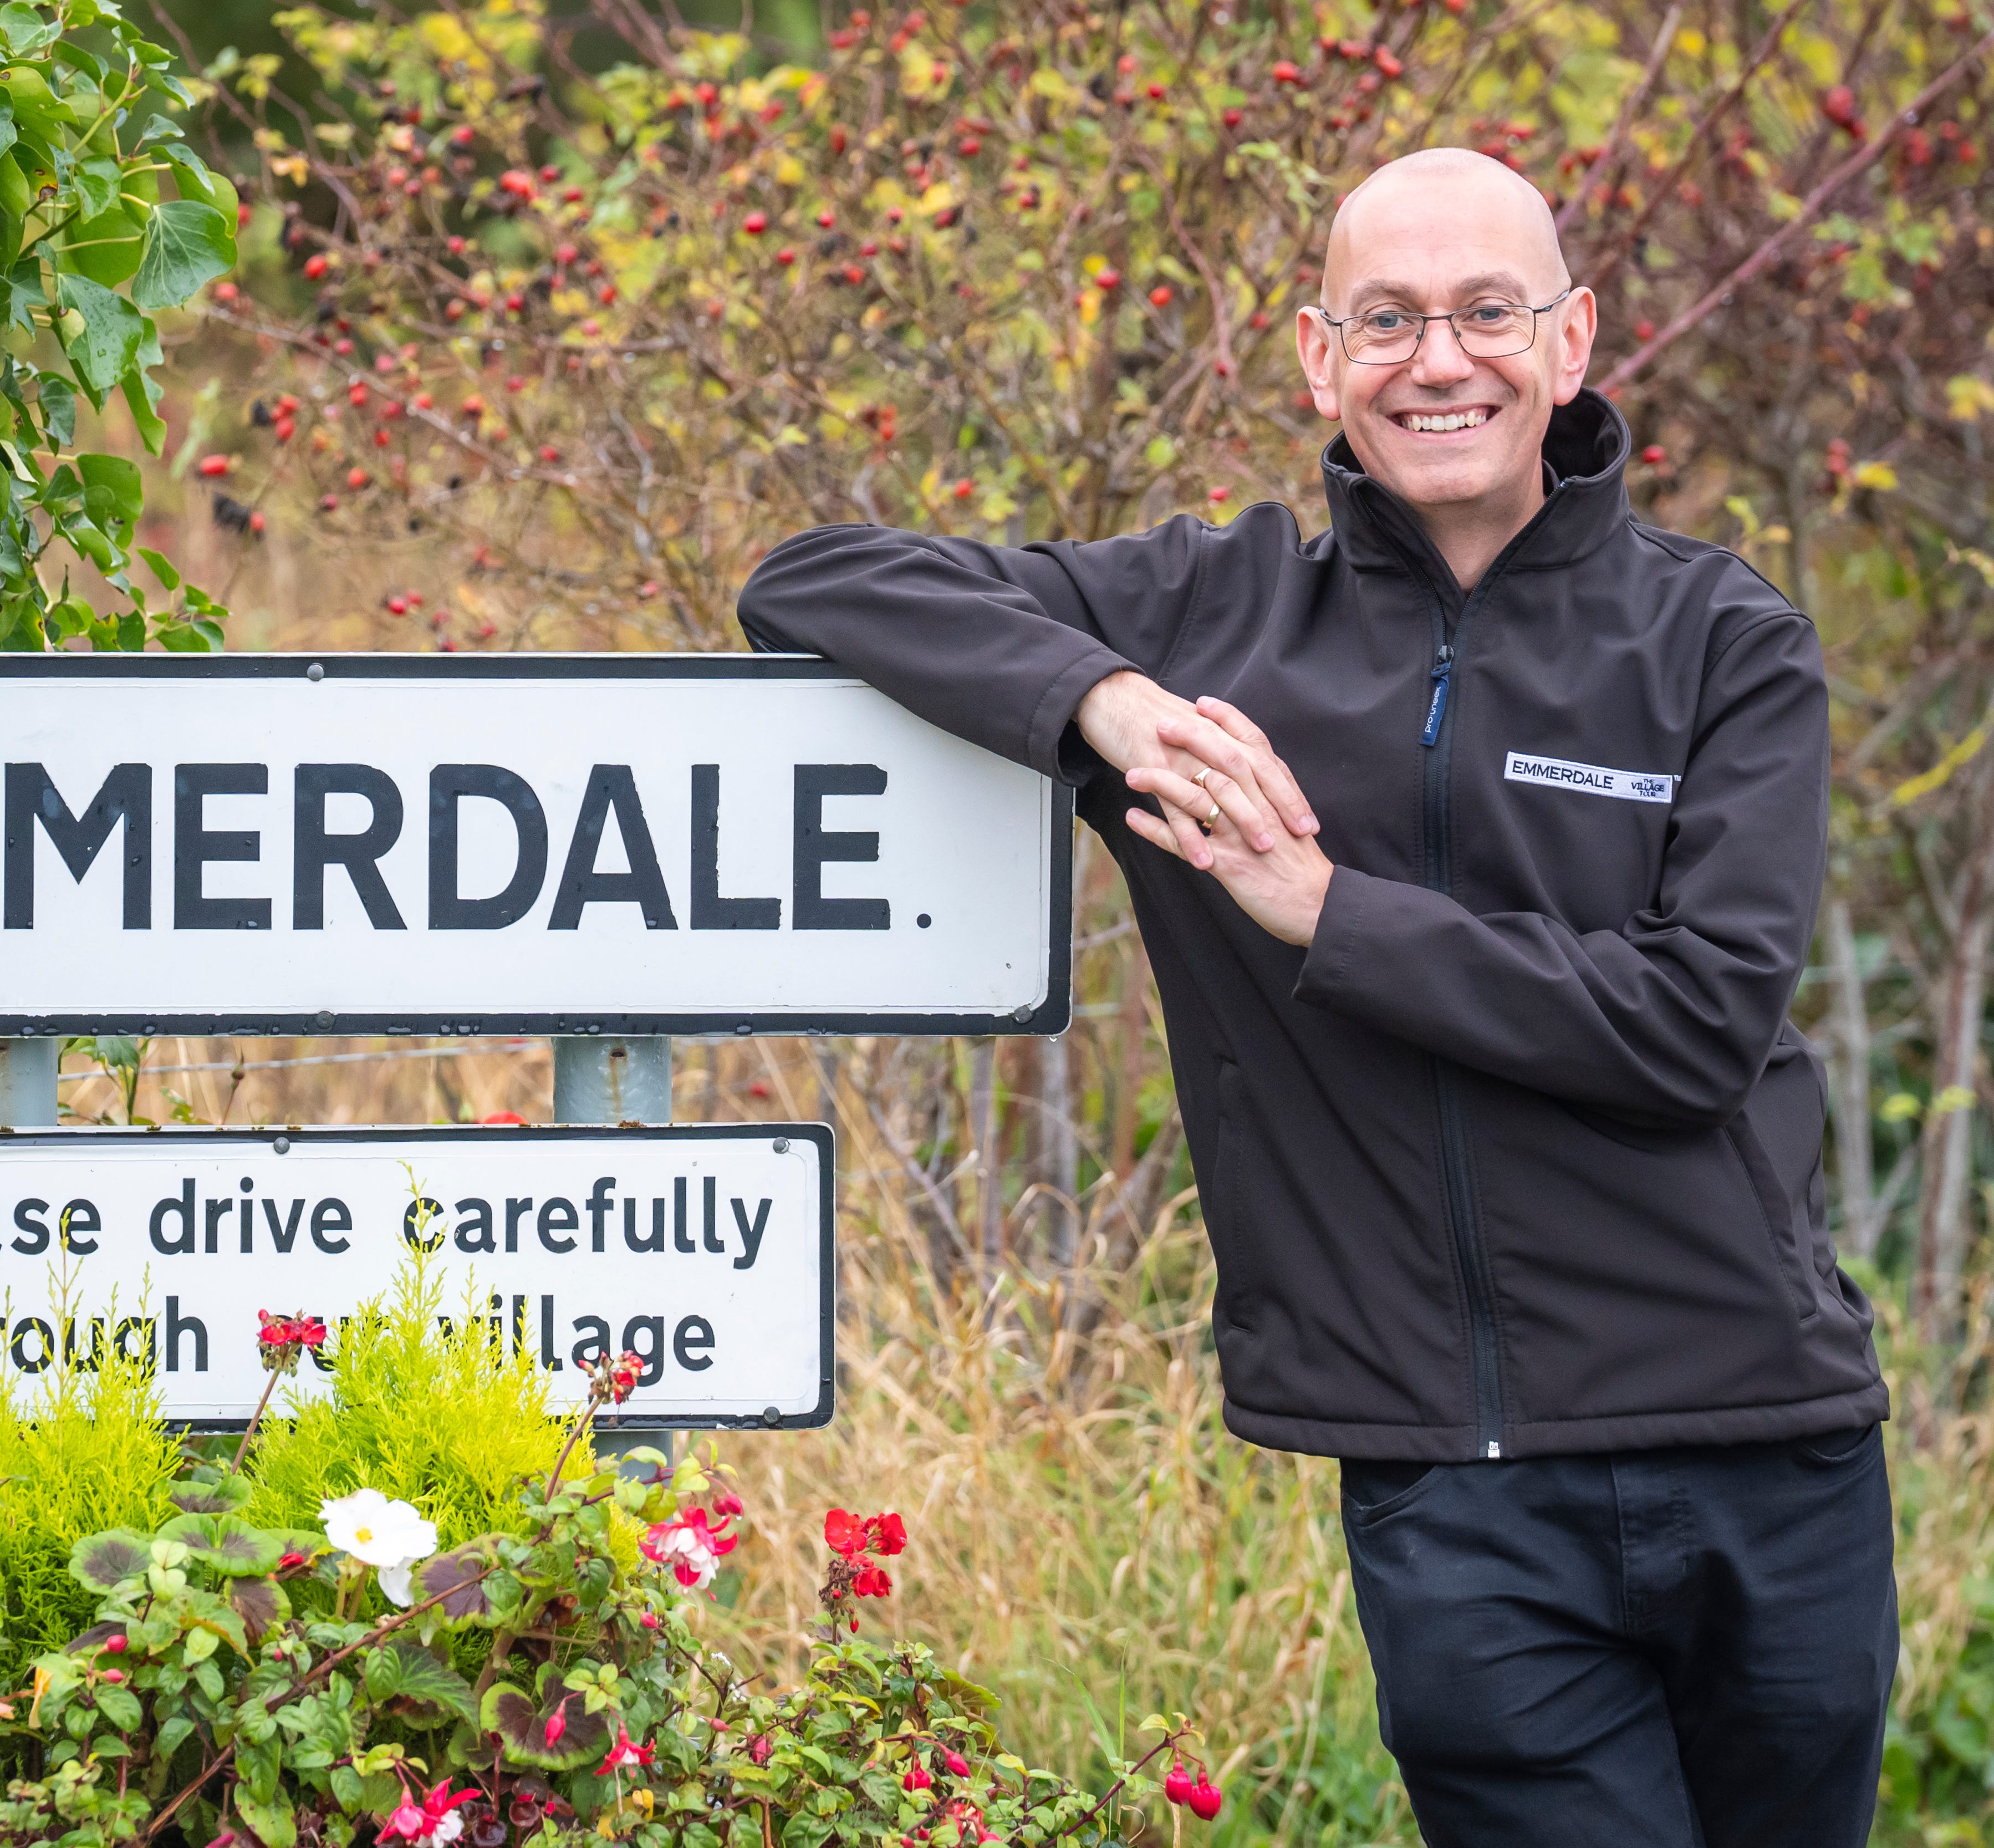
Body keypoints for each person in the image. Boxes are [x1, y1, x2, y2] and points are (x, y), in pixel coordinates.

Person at [737, 147, 1895, 1846]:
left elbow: (1694, 1024)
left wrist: (1327, 913)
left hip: (1767, 1447)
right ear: (1316, 356)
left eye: (1488, 313)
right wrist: (1111, 703)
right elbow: (811, 580)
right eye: (1390, 320)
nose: (1442, 362)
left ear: (1572, 341)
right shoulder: (1212, 611)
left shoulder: (1723, 641)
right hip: (1454, 1483)